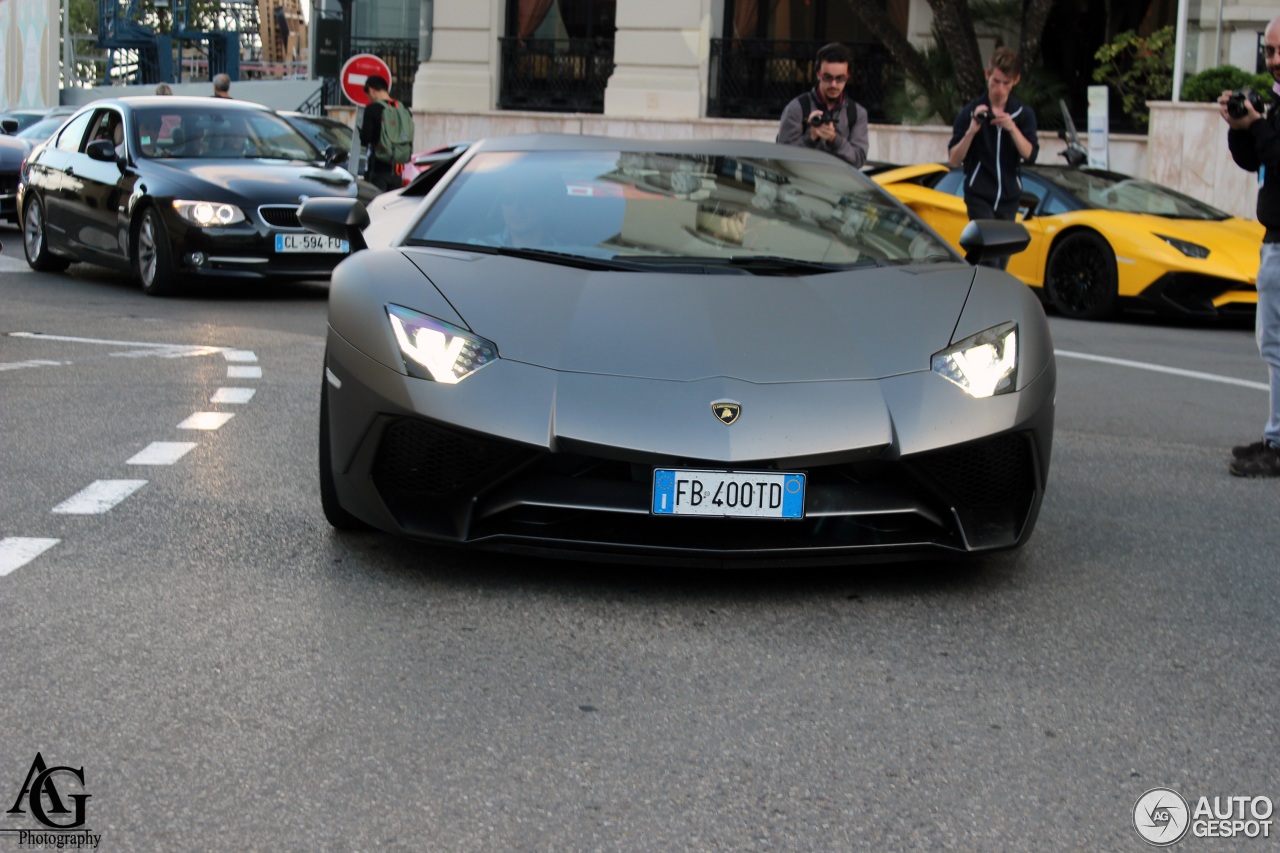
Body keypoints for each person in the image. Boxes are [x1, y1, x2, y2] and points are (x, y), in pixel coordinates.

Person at [1221, 13, 1280, 477]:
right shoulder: (1275, 103)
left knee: (1276, 346)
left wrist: (1259, 125)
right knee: (1272, 345)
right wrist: (1237, 124)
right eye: (1269, 51)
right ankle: (1274, 438)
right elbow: (1253, 159)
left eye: (1279, 51)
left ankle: (1277, 445)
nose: (1273, 60)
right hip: (1273, 238)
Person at [947, 46, 1039, 227]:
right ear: (987, 75)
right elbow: (954, 160)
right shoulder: (970, 112)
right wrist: (972, 130)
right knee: (987, 251)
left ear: (1016, 81)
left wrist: (1012, 128)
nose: (1000, 89)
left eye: (1006, 83)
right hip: (979, 196)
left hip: (1009, 198)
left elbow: (1030, 154)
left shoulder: (1023, 114)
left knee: (1002, 254)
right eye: (996, 81)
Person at [776, 42, 869, 169]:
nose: (834, 84)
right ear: (818, 74)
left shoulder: (857, 113)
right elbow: (781, 157)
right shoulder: (797, 108)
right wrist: (810, 137)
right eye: (828, 77)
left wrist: (834, 139)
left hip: (839, 187)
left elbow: (859, 160)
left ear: (847, 76)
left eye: (840, 78)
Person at [358, 75, 403, 192]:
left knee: (376, 206)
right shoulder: (402, 109)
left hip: (377, 169)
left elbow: (365, 139)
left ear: (371, 90)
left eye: (368, 95)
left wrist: (361, 133)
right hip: (397, 170)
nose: (369, 98)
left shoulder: (372, 109)